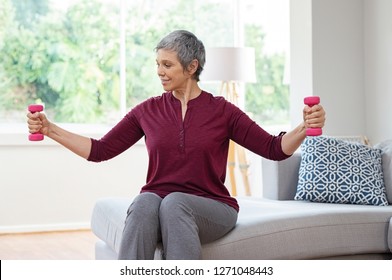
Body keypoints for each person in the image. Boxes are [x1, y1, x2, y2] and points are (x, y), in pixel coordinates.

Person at [27, 30, 326, 260]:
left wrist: (305, 126)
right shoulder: (148, 110)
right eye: (158, 64)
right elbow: (101, 150)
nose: (160, 71)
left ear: (192, 66)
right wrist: (51, 129)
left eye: (167, 64)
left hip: (214, 207)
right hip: (159, 201)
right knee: (145, 201)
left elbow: (274, 149)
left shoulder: (223, 111)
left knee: (175, 202)